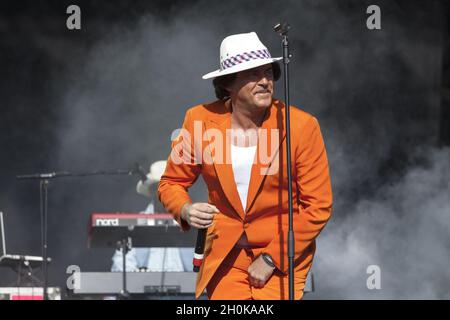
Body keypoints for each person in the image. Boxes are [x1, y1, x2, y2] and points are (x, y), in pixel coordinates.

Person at [158, 32, 333, 300]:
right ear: (227, 84)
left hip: (281, 259)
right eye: (252, 74)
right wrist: (185, 208)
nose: (265, 81)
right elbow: (171, 182)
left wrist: (271, 259)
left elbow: (318, 206)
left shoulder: (301, 126)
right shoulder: (199, 121)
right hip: (225, 257)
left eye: (268, 72)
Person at [111, 160, 193, 272]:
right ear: (153, 190)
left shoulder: (192, 222)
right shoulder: (136, 223)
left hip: (187, 288)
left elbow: (206, 263)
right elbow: (120, 263)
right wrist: (137, 276)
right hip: (144, 288)